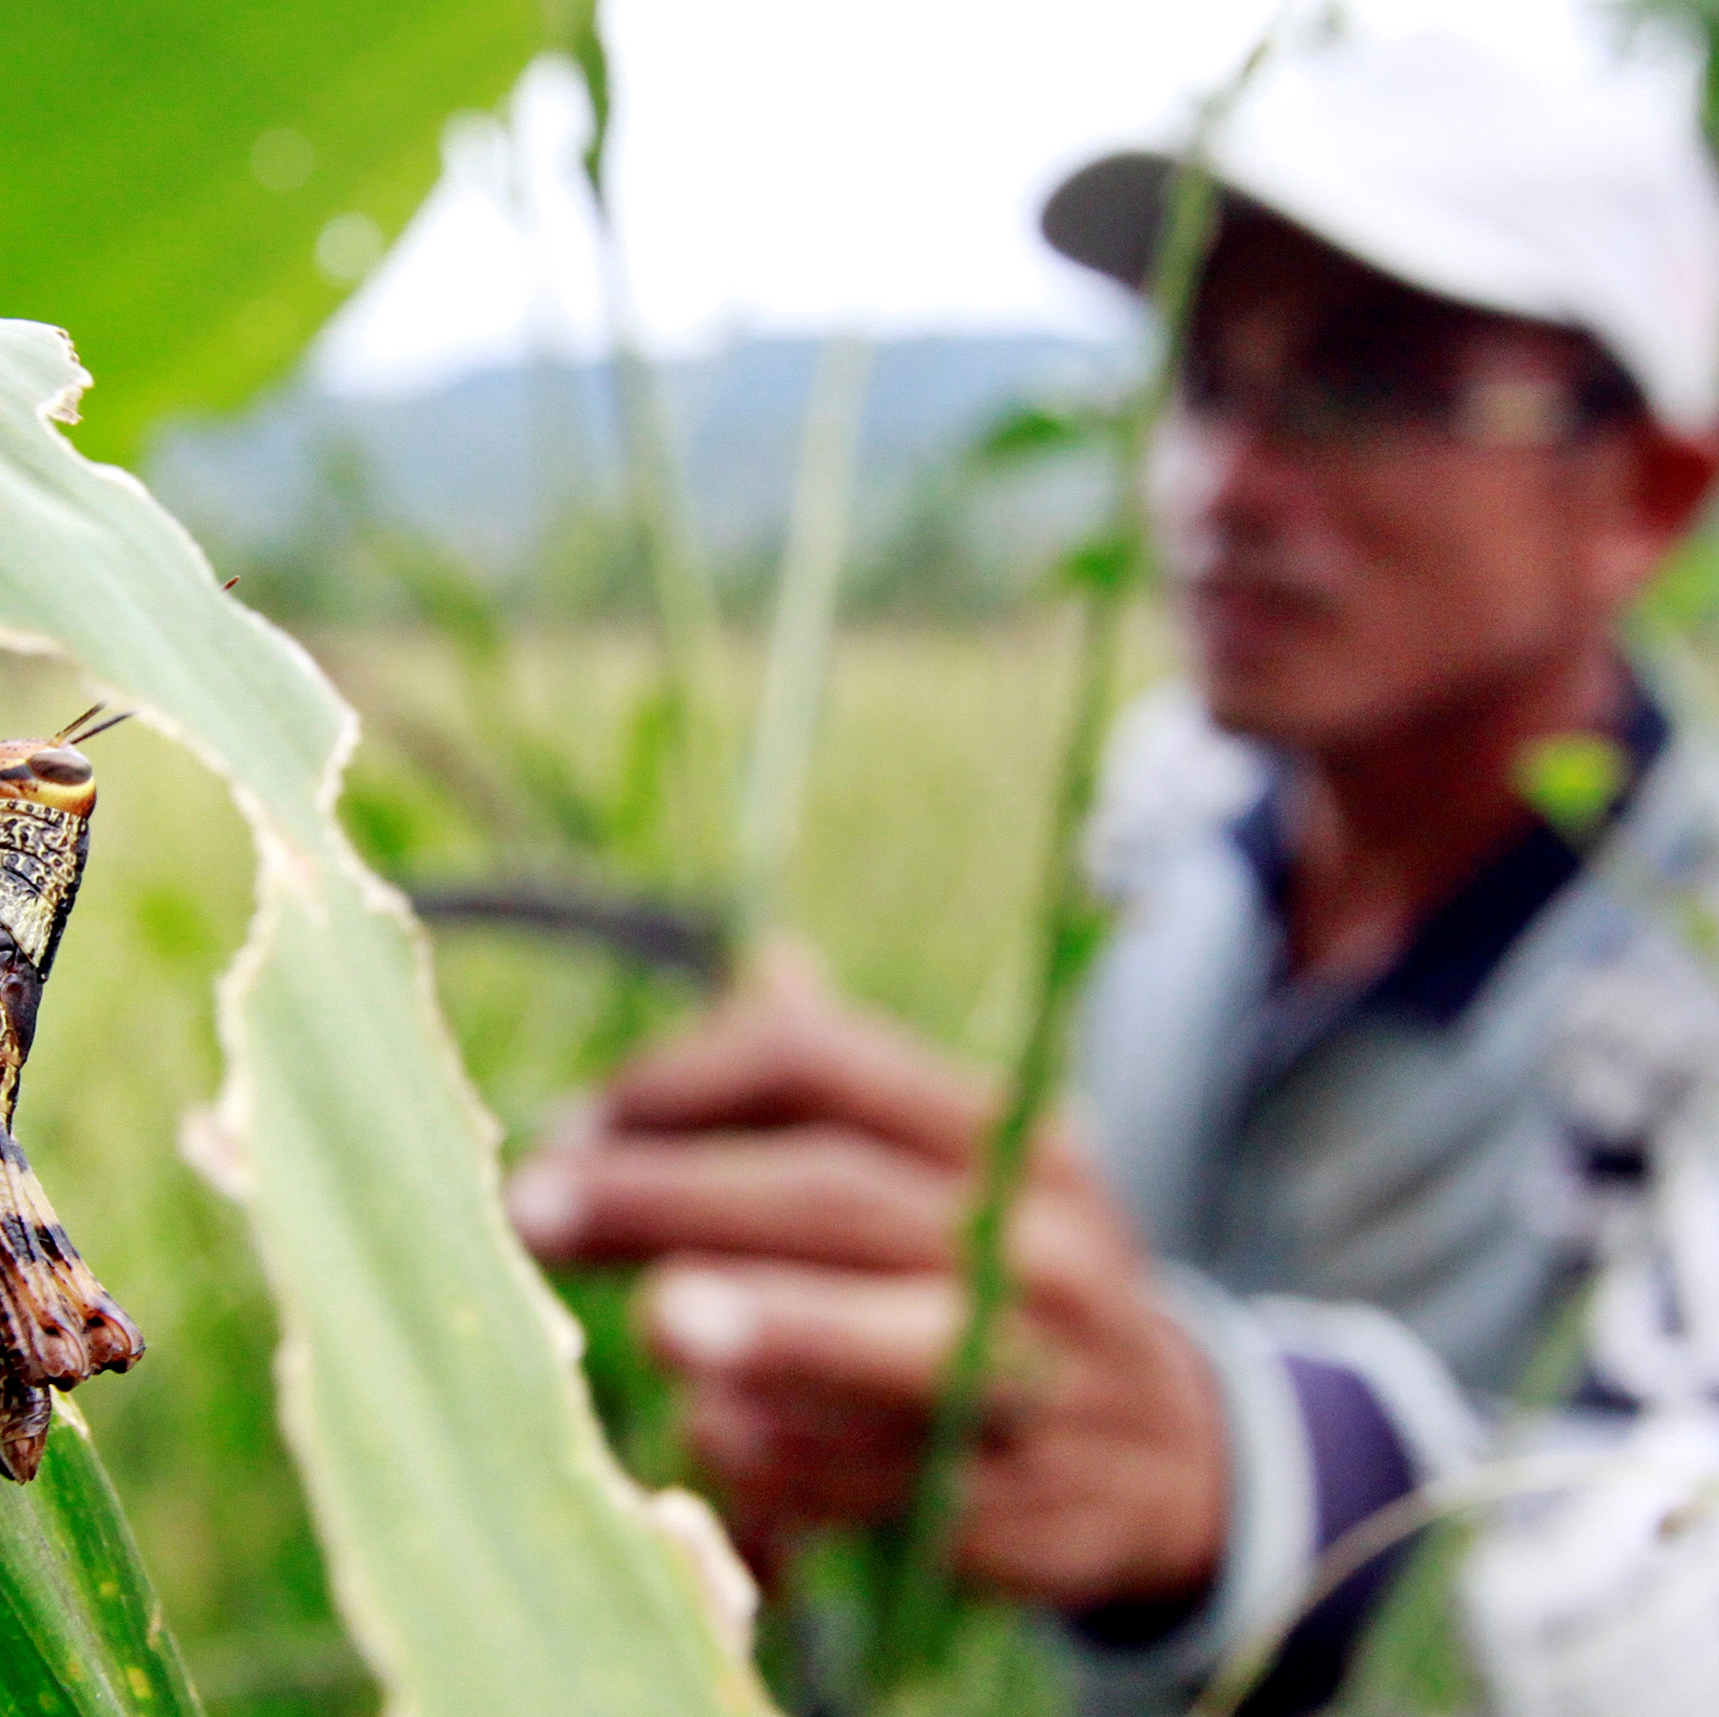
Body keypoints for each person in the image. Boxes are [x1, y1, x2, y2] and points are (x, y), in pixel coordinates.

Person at [506, 33, 1719, 1716]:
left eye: (1367, 381)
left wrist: (1243, 1475)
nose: (1227, 485)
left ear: (1646, 491)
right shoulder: (1168, 805)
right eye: (1208, 377)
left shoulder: (1688, 957)